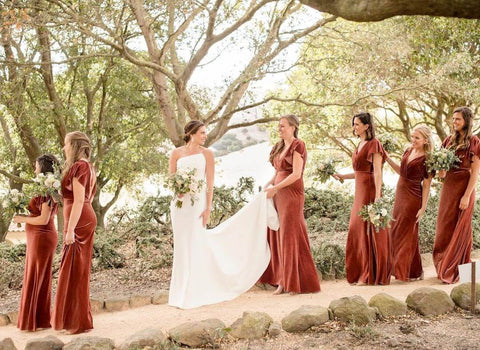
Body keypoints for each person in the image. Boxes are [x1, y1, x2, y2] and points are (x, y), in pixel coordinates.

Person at [168, 120, 278, 309]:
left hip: (197, 204)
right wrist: (178, 190)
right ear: (191, 133)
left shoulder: (207, 154)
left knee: (196, 242)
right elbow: (171, 178)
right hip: (179, 206)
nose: (205, 136)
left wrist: (208, 208)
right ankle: (180, 291)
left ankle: (197, 289)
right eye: (202, 133)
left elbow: (210, 183)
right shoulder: (176, 153)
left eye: (205, 133)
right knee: (182, 246)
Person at [259, 115, 320, 295]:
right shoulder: (279, 146)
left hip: (291, 194)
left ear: (293, 127)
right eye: (279, 126)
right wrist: (269, 184)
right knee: (278, 233)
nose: (280, 129)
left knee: (289, 235)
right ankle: (282, 279)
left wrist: (276, 187)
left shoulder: (298, 145)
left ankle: (291, 281)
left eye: (283, 126)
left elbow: (295, 174)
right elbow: (278, 171)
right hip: (277, 192)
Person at [334, 112, 390, 285]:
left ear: (367, 126)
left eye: (357, 124)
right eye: (354, 124)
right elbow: (360, 172)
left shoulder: (375, 144)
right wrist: (343, 176)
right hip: (359, 190)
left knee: (367, 229)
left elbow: (377, 172)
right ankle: (360, 272)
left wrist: (378, 196)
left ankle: (369, 274)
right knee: (356, 229)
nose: (354, 127)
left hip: (370, 191)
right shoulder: (359, 144)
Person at [52, 131, 97, 334]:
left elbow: (80, 200)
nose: (64, 148)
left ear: (75, 146)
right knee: (73, 270)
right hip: (78, 219)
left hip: (79, 223)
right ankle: (74, 319)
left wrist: (70, 229)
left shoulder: (81, 166)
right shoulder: (85, 166)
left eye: (66, 144)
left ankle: (77, 322)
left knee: (75, 271)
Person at [433, 106, 480, 284]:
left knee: (461, 227)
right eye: (453, 119)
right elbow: (442, 173)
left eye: (458, 119)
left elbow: (475, 172)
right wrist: (439, 167)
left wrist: (467, 196)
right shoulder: (448, 141)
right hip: (448, 188)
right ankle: (444, 263)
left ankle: (457, 268)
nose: (454, 122)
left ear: (466, 121)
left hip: (464, 187)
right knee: (444, 225)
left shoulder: (474, 141)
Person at [13, 154, 60, 331]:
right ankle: (36, 320)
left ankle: (38, 320)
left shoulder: (48, 189)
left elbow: (43, 219)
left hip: (43, 237)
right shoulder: (43, 187)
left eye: (36, 166)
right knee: (34, 276)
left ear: (43, 167)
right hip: (37, 238)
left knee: (38, 277)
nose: (34, 169)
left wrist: (22, 218)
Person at [386, 125, 434, 282]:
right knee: (396, 230)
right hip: (400, 194)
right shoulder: (407, 150)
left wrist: (423, 207)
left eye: (417, 138)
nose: (413, 140)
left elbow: (426, 184)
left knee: (406, 233)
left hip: (413, 197)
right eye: (412, 136)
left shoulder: (429, 158)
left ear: (426, 140)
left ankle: (404, 272)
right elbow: (401, 171)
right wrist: (386, 158)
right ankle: (415, 271)